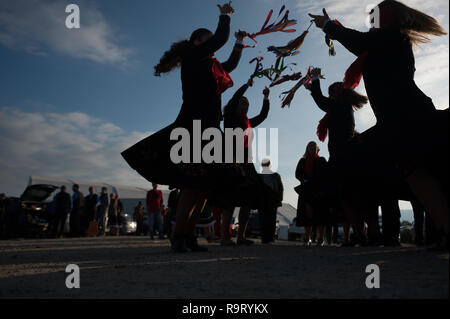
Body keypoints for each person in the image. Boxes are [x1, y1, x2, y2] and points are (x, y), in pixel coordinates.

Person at [309, 1, 449, 245]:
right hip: (395, 121)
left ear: (386, 17)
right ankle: (442, 229)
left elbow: (360, 41)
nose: (370, 21)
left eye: (373, 17)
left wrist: (329, 26)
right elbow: (361, 41)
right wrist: (333, 26)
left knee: (424, 173)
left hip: (409, 116)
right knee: (417, 174)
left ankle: (439, 229)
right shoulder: (383, 41)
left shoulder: (393, 38)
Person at [121, 2, 246, 252]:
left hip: (209, 127)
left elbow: (230, 65)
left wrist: (239, 43)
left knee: (203, 186)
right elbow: (220, 38)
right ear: (198, 42)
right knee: (192, 183)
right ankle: (179, 236)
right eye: (208, 41)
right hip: (192, 126)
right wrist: (224, 17)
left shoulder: (210, 65)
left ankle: (188, 236)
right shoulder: (193, 57)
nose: (213, 46)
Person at [305, 67, 369, 245]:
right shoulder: (343, 106)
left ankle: (358, 234)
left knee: (345, 195)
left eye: (331, 93)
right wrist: (313, 90)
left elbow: (321, 102)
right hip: (346, 155)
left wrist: (315, 79)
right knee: (349, 196)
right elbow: (322, 100)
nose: (330, 97)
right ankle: (359, 234)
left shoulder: (339, 105)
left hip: (341, 156)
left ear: (336, 93)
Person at [220, 79, 271, 246]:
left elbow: (263, 116)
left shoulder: (248, 123)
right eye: (242, 103)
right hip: (231, 163)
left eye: (247, 105)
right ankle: (225, 238)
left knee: (248, 201)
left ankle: (240, 236)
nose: (245, 106)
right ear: (235, 105)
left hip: (247, 164)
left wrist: (266, 98)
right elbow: (235, 97)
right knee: (229, 202)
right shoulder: (229, 117)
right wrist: (246, 86)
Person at [295, 142, 329, 246]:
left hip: (319, 190)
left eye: (314, 146)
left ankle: (320, 238)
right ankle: (307, 237)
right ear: (307, 148)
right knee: (306, 214)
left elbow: (326, 174)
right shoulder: (302, 161)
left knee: (320, 214)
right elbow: (297, 174)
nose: (312, 148)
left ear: (317, 149)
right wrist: (305, 179)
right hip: (306, 189)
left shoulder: (321, 160)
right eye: (310, 146)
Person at [258, 159, 284, 244]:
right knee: (265, 219)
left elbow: (280, 189)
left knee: (270, 219)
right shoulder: (260, 176)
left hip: (271, 200)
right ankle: (265, 238)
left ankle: (269, 238)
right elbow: (280, 189)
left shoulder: (275, 176)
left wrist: (279, 199)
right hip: (263, 200)